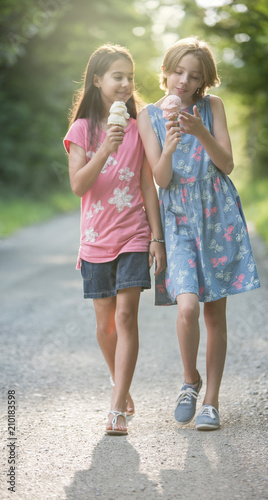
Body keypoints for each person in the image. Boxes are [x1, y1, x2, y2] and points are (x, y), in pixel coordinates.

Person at [137, 37, 260, 431]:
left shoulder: (212, 108)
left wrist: (200, 133)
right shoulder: (149, 116)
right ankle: (190, 381)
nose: (183, 82)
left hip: (216, 214)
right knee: (186, 305)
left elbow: (227, 164)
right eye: (178, 72)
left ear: (204, 80)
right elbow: (161, 178)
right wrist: (171, 145)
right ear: (167, 70)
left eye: (193, 76)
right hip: (178, 219)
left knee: (214, 312)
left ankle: (212, 401)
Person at [64, 44, 166, 435]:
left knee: (126, 317)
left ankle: (116, 408)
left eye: (129, 77)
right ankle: (118, 384)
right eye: (116, 76)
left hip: (133, 235)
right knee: (106, 324)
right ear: (97, 81)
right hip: (95, 239)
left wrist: (156, 238)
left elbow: (147, 186)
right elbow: (78, 186)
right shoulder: (82, 130)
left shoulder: (141, 128)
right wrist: (105, 147)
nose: (125, 84)